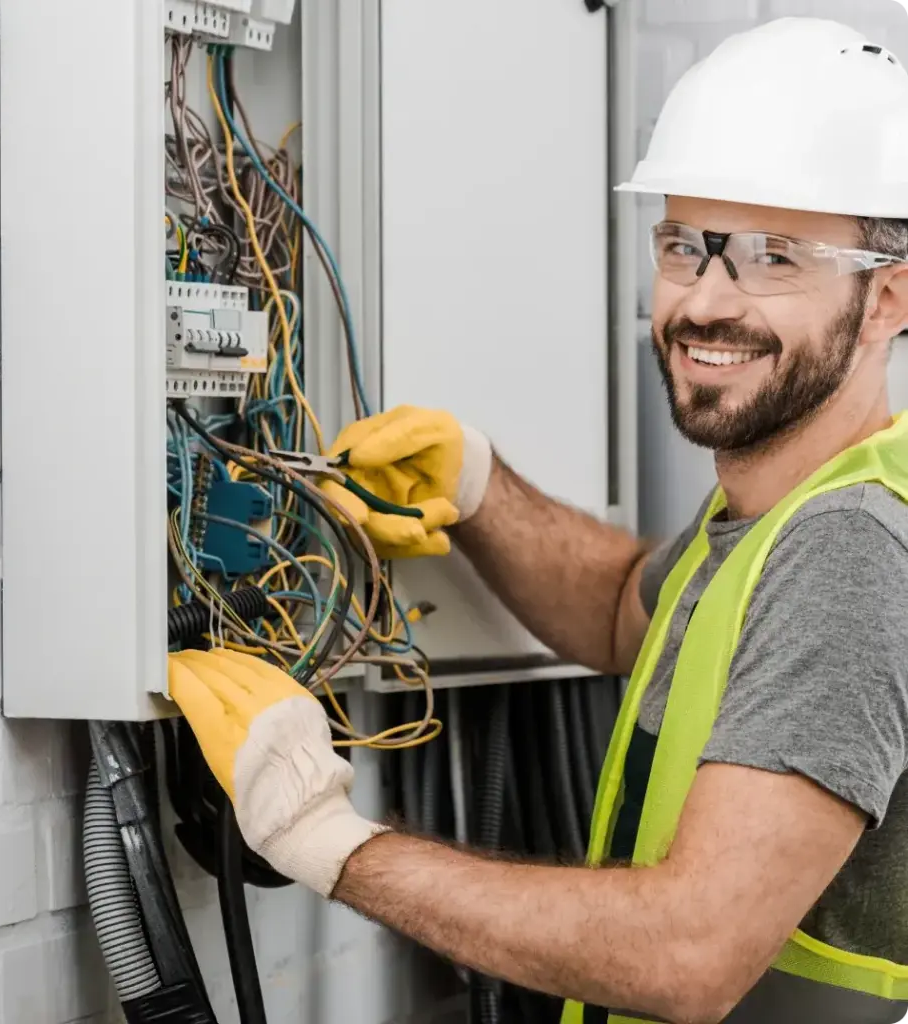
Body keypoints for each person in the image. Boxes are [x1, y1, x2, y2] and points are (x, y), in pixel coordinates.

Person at [168, 17, 908, 1024]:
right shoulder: (769, 523)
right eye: (685, 246)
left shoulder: (848, 550)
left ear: (884, 302)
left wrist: (326, 839)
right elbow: (616, 610)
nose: (704, 300)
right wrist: (476, 486)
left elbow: (686, 953)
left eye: (773, 258)